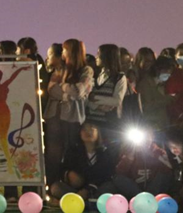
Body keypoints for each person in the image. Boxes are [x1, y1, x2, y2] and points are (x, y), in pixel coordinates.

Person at [44, 38, 94, 187]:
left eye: (65, 50)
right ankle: (52, 185)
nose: (63, 53)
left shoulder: (86, 70)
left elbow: (79, 91)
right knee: (53, 154)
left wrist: (63, 86)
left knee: (71, 151)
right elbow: (51, 89)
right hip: (54, 116)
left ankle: (72, 185)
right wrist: (68, 95)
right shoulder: (60, 69)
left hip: (73, 117)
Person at [49, 122, 115, 204]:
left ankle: (78, 201)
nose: (88, 132)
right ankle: (80, 200)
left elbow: (107, 174)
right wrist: (69, 174)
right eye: (84, 129)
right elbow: (63, 169)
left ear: (98, 132)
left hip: (97, 188)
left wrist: (89, 189)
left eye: (92, 128)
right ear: (80, 133)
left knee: (110, 187)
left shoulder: (104, 152)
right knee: (56, 188)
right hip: (77, 189)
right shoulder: (73, 151)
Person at [87, 44, 127, 142]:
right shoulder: (96, 75)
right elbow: (87, 98)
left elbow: (117, 101)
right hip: (92, 121)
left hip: (109, 124)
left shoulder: (119, 77)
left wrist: (95, 98)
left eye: (98, 54)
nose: (96, 57)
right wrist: (98, 106)